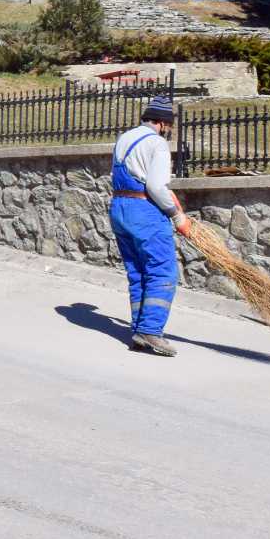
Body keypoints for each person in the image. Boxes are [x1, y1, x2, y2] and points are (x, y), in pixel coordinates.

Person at [109, 95, 191, 356]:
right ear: (163, 123)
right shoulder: (156, 144)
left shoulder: (125, 138)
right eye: (169, 125)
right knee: (162, 271)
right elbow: (155, 186)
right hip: (144, 211)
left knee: (137, 273)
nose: (169, 130)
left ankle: (139, 330)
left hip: (120, 208)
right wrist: (176, 215)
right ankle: (151, 331)